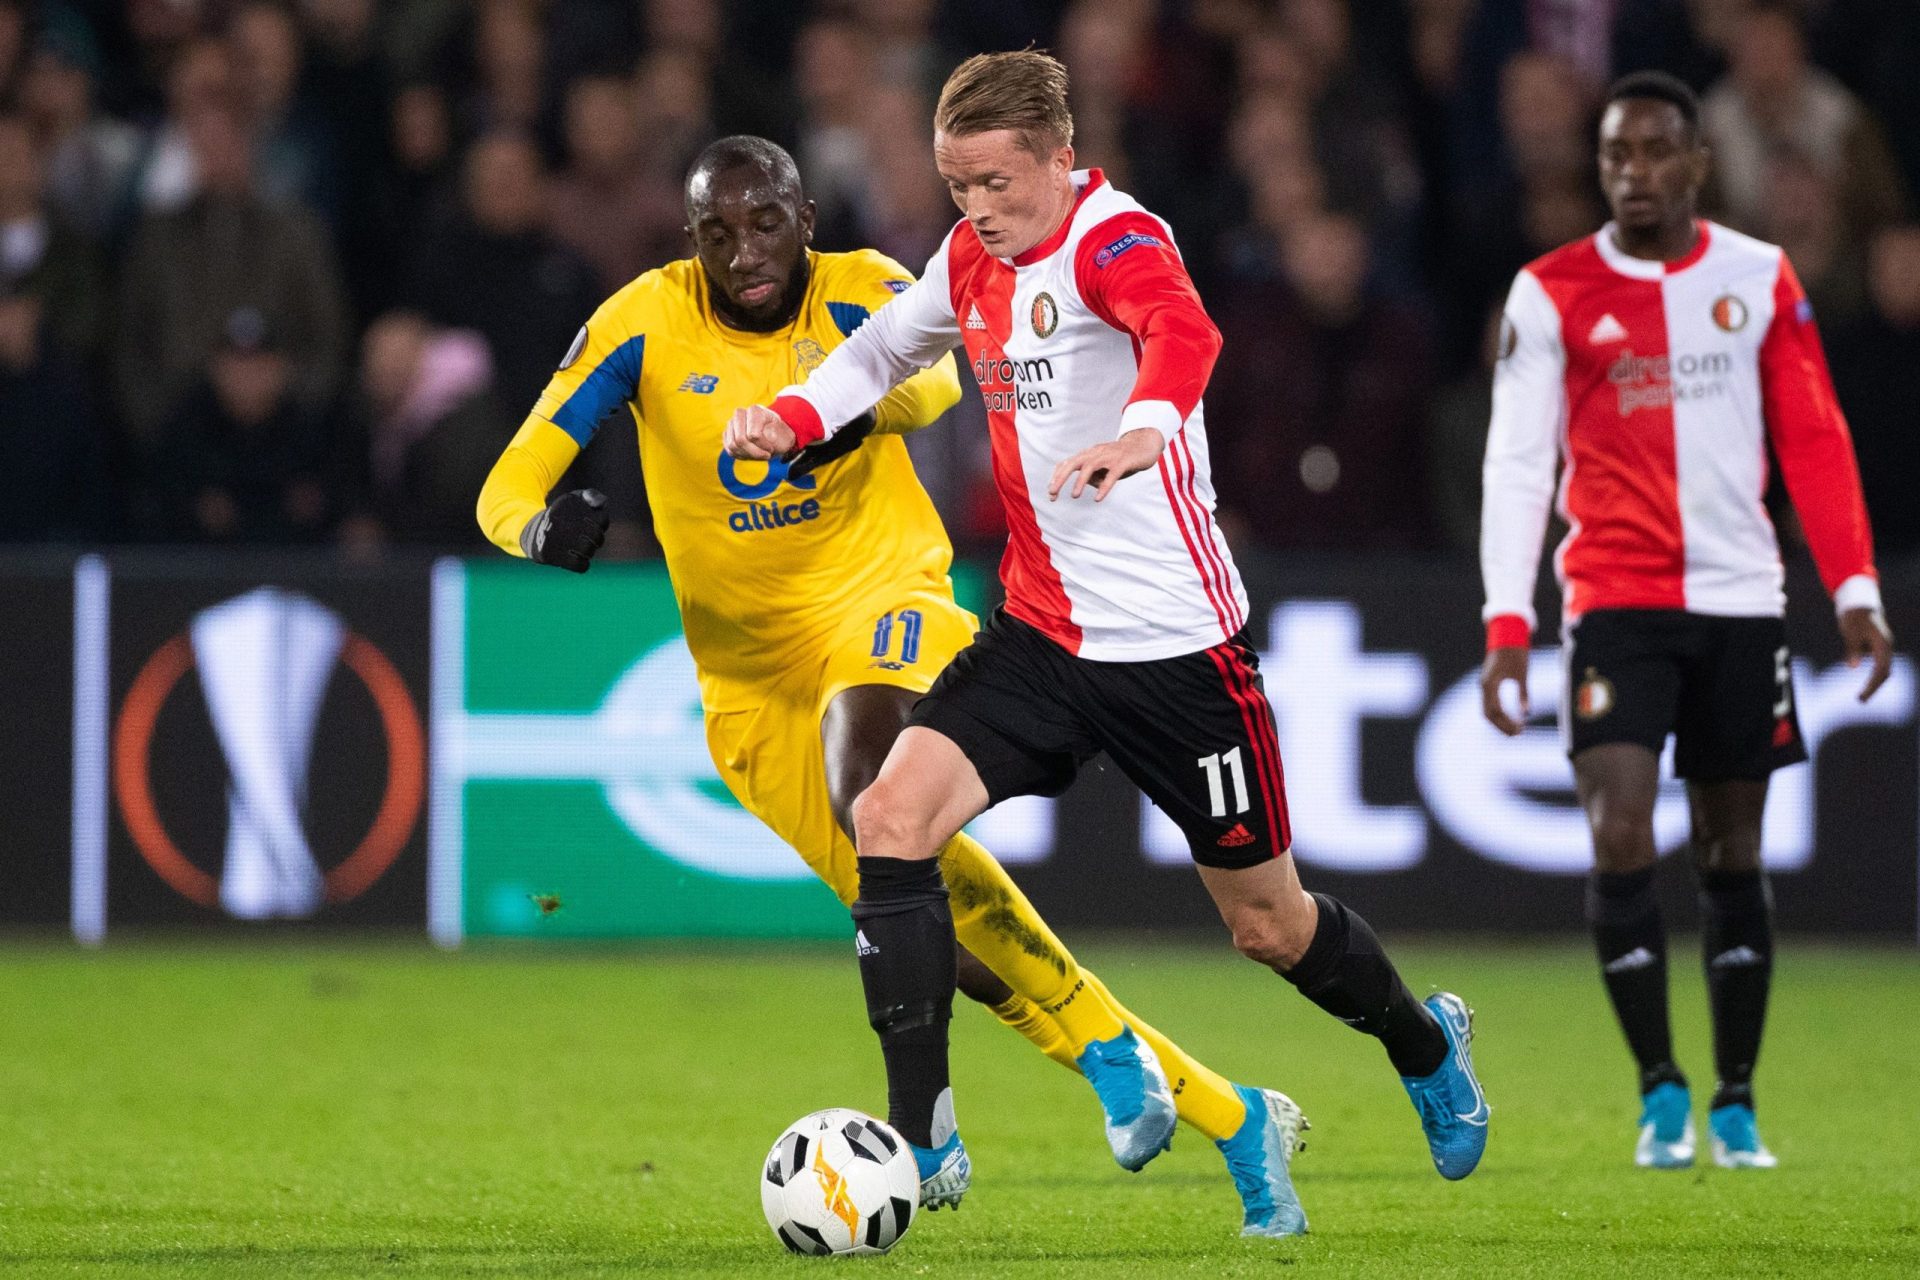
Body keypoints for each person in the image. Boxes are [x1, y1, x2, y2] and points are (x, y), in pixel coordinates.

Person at [476, 135, 1313, 1239]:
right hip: (745, 684)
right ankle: (1218, 1105)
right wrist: (544, 528)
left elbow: (933, 377)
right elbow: (506, 485)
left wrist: (844, 415)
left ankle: (927, 1126)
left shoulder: (862, 287)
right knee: (923, 921)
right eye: (717, 233)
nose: (746, 251)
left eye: (765, 221)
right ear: (690, 244)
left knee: (871, 787)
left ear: (804, 216)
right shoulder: (641, 322)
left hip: (886, 604)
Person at [724, 51, 1488, 1223]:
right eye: (956, 183)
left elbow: (1184, 336)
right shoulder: (973, 255)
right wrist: (789, 412)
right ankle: (924, 1133)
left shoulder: (1115, 238)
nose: (975, 208)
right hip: (1039, 632)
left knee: (1267, 924)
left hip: (1178, 651)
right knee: (888, 814)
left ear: (1061, 160)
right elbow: (887, 349)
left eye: (995, 182)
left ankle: (1422, 1041)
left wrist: (1141, 429)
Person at [1477, 71, 1894, 1172]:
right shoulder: (1549, 290)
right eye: (1618, 154)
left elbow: (1814, 434)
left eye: (1658, 152)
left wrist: (1854, 589)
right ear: (1600, 165)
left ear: (1697, 163)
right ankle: (1660, 1087)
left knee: (1729, 846)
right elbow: (1518, 464)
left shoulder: (1757, 279)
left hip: (1740, 600)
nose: (1637, 173)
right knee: (1619, 830)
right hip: (1614, 598)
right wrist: (1506, 622)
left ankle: (1738, 1095)